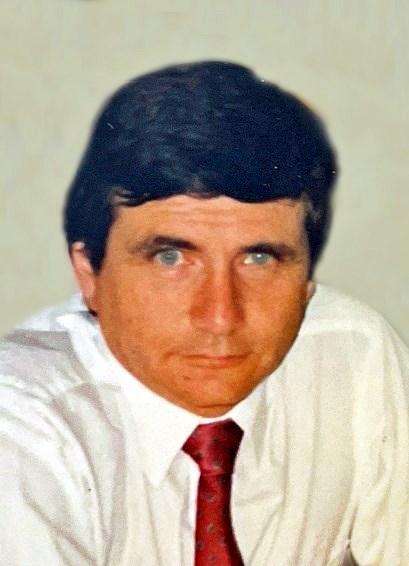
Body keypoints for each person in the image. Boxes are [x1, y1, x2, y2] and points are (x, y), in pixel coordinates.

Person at [1, 61, 408, 566]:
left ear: (308, 282)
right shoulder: (22, 422)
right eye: (170, 258)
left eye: (259, 258)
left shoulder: (353, 358)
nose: (220, 316)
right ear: (89, 275)